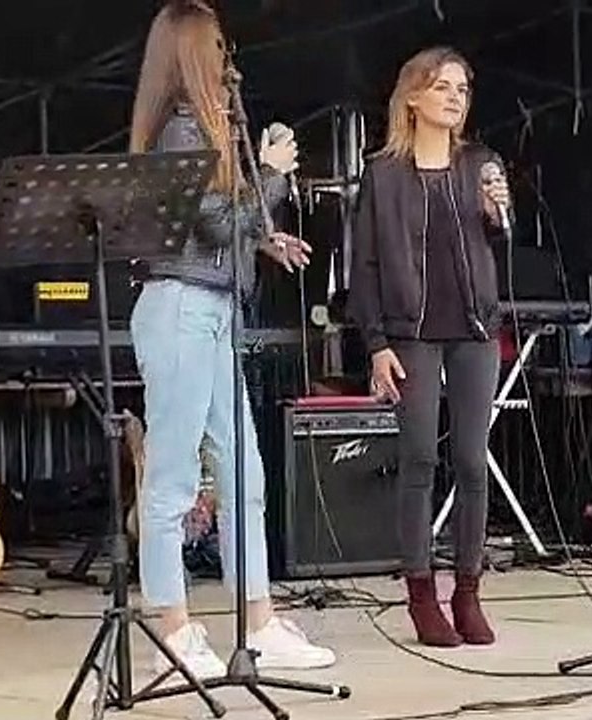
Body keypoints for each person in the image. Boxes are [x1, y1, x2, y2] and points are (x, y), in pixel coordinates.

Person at [127, 0, 334, 676]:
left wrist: (264, 238)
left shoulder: (204, 128)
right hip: (180, 309)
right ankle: (173, 631)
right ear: (190, 52)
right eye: (216, 45)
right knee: (174, 481)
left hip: (210, 308)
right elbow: (215, 224)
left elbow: (218, 225)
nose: (227, 58)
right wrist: (270, 172)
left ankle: (259, 619)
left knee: (243, 469)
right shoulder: (180, 128)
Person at [347, 46, 510, 647]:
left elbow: (497, 233)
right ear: (413, 96)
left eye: (463, 89)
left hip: (474, 329)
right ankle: (421, 593)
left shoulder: (480, 164)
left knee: (472, 461)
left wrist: (497, 210)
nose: (455, 97)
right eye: (442, 87)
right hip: (411, 334)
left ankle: (468, 590)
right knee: (419, 460)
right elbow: (364, 265)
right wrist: (376, 343)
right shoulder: (384, 173)